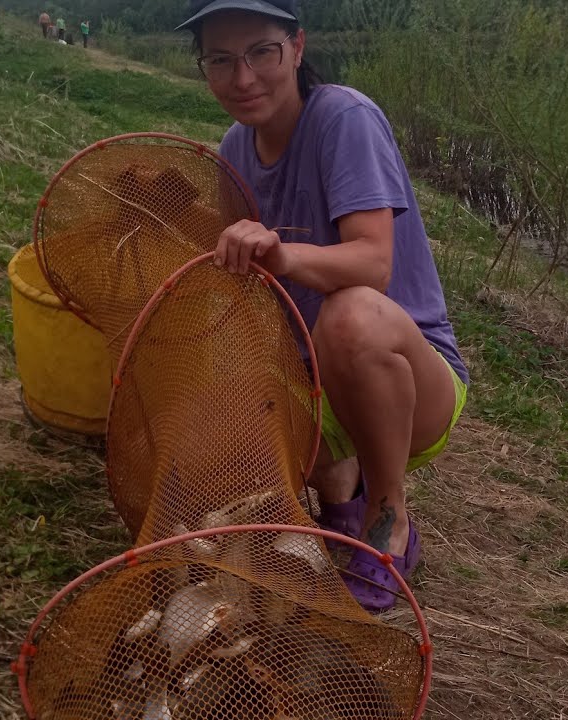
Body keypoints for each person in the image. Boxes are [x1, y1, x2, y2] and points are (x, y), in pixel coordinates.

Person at [176, 0, 469, 613]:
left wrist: (281, 255)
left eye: (262, 52)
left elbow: (373, 264)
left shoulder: (344, 118)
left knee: (350, 315)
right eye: (221, 60)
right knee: (226, 405)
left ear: (298, 48)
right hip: (318, 374)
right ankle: (341, 501)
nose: (244, 77)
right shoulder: (235, 145)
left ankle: (389, 520)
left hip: (411, 375)